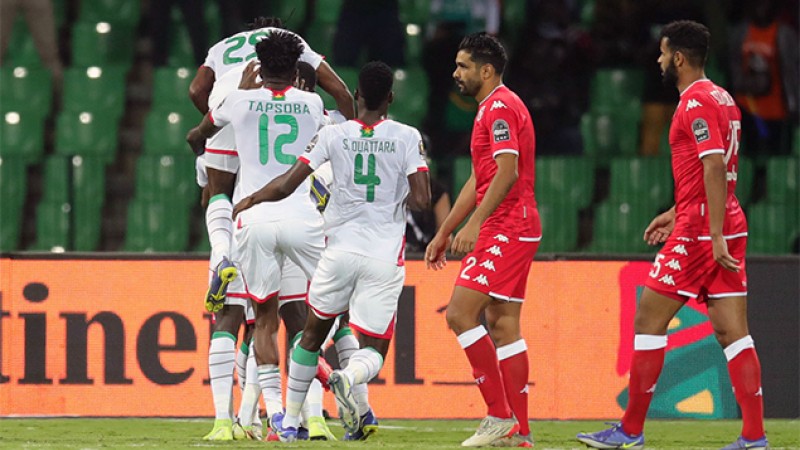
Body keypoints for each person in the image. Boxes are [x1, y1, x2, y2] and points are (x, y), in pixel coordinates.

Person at [577, 20, 768, 450]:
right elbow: (712, 173)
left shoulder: (696, 103)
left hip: (704, 229)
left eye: (663, 54)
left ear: (678, 58)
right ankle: (754, 437)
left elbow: (715, 166)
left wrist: (710, 231)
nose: (660, 61)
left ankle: (629, 431)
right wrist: (674, 210)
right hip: (721, 219)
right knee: (733, 333)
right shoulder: (723, 97)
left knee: (648, 319)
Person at [232, 60, 431, 443]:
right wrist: (410, 178)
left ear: (357, 96)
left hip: (337, 252)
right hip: (382, 257)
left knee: (309, 336)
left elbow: (289, 184)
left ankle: (289, 422)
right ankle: (348, 377)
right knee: (373, 347)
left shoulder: (334, 135)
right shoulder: (407, 136)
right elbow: (422, 201)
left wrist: (252, 199)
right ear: (390, 98)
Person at [186, 31, 328, 441]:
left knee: (260, 321)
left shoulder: (238, 101)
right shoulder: (314, 103)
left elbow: (198, 136)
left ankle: (273, 415)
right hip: (304, 220)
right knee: (317, 314)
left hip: (254, 220)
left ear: (259, 66)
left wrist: (232, 107)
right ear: (296, 67)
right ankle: (320, 400)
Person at [425, 32, 540, 448]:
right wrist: (445, 229)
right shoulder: (491, 109)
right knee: (504, 325)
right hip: (512, 222)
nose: (456, 73)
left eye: (463, 66)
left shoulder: (500, 107)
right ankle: (520, 432)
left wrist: (475, 224)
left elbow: (506, 170)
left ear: (486, 70)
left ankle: (498, 415)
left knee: (459, 313)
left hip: (509, 224)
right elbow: (480, 178)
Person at [730, 0, 799, 156]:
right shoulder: (740, 34)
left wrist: (794, 104)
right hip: (748, 108)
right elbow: (733, 68)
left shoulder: (785, 34)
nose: (761, 7)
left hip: (777, 110)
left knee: (778, 157)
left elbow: (792, 72)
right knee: (750, 157)